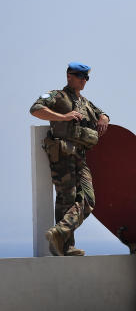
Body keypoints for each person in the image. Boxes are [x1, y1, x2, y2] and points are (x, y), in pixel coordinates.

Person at [31, 62, 110, 256]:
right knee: (67, 198)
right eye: (80, 76)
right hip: (62, 152)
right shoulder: (57, 96)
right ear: (69, 76)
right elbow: (35, 109)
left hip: (80, 156)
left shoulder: (85, 102)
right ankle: (65, 246)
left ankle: (59, 232)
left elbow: (103, 113)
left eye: (86, 78)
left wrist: (103, 117)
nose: (84, 81)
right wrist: (63, 117)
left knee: (88, 199)